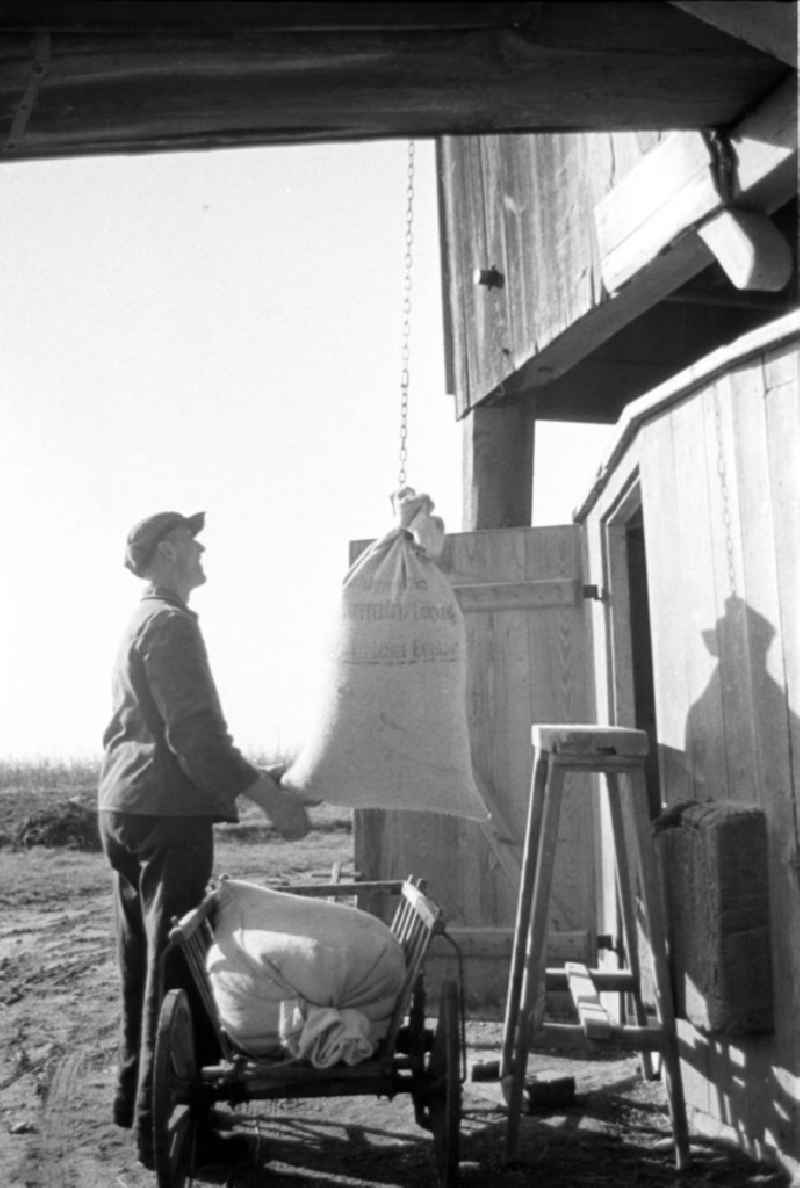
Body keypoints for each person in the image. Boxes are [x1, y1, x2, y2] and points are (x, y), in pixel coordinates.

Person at [97, 509, 310, 1170]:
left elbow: (172, 737)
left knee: (144, 957)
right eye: (191, 539)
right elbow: (194, 740)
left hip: (126, 810)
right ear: (167, 552)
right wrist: (267, 796)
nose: (202, 545)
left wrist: (263, 777)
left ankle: (133, 1089)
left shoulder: (142, 620)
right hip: (167, 817)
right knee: (177, 967)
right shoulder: (171, 624)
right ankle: (160, 1128)